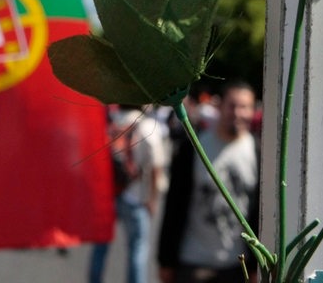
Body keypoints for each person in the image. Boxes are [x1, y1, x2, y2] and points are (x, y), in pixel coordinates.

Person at [158, 82, 259, 283]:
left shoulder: (258, 152)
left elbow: (257, 212)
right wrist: (166, 260)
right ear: (220, 107)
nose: (237, 113)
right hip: (193, 263)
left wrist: (257, 266)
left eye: (244, 107)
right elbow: (174, 206)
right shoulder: (193, 147)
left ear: (252, 111)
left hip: (238, 266)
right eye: (232, 106)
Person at [90, 104, 168, 283]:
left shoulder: (110, 123)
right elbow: (156, 168)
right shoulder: (147, 126)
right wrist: (152, 199)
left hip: (109, 194)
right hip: (135, 196)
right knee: (138, 249)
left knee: (100, 245)